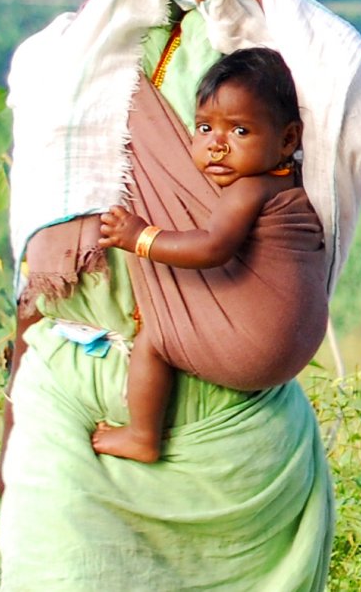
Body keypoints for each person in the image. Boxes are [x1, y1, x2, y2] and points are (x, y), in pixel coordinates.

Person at [0, 0, 361, 592]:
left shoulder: (250, 35)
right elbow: (39, 244)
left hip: (226, 429)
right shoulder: (54, 59)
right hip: (76, 408)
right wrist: (13, 408)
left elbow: (360, 112)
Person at [92, 46, 327, 464]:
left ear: (288, 139)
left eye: (239, 132)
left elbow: (212, 248)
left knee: (154, 339)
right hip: (296, 349)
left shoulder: (248, 190)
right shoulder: (288, 182)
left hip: (253, 349)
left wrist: (139, 237)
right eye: (204, 128)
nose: (217, 146)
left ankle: (142, 436)